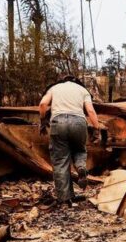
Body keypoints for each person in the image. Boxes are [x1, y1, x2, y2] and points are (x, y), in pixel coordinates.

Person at [39, 76, 105, 204]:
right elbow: (90, 111)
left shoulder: (54, 88)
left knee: (60, 161)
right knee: (79, 150)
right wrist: (97, 130)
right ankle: (81, 167)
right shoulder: (83, 90)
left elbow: (42, 104)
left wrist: (42, 121)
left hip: (59, 122)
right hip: (79, 123)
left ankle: (65, 198)